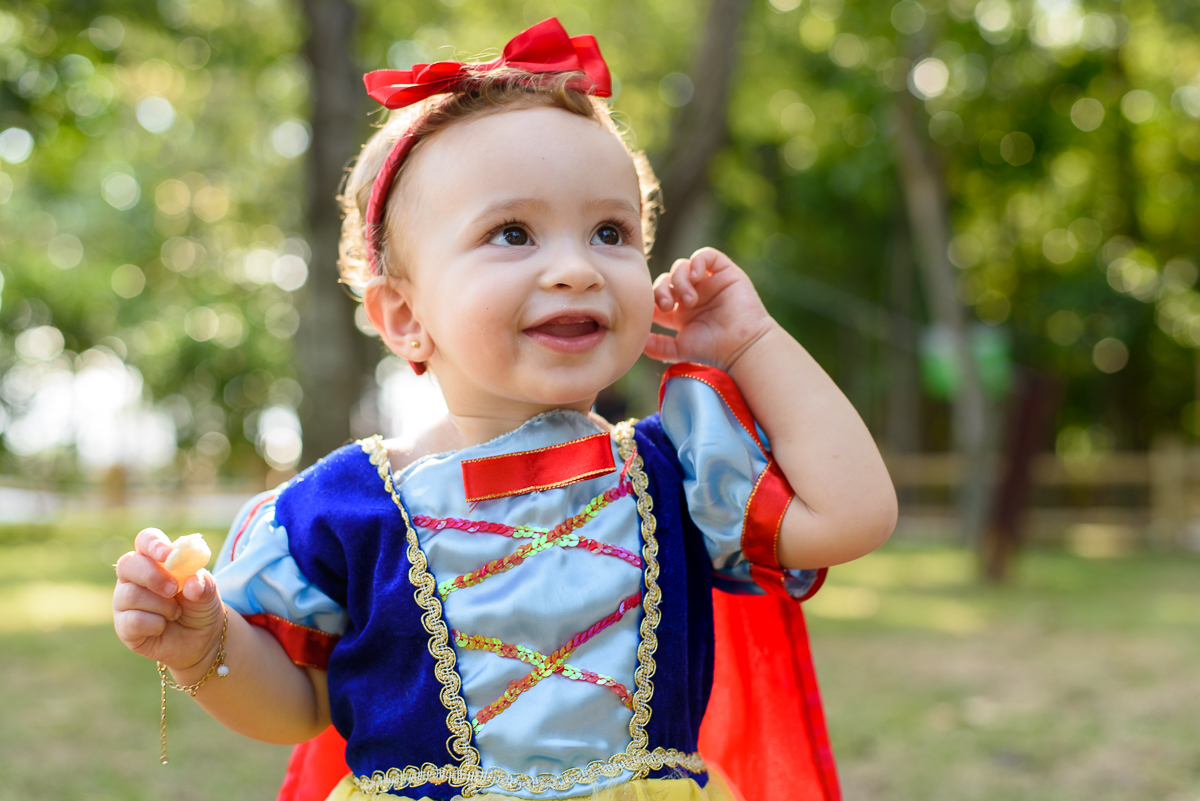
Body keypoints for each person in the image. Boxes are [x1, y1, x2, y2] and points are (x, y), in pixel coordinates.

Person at [112, 18, 896, 801]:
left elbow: (853, 513)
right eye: (513, 232)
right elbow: (297, 710)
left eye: (610, 232)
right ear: (403, 315)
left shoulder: (677, 476)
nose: (575, 267)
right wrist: (204, 645)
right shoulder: (344, 510)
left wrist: (751, 343)